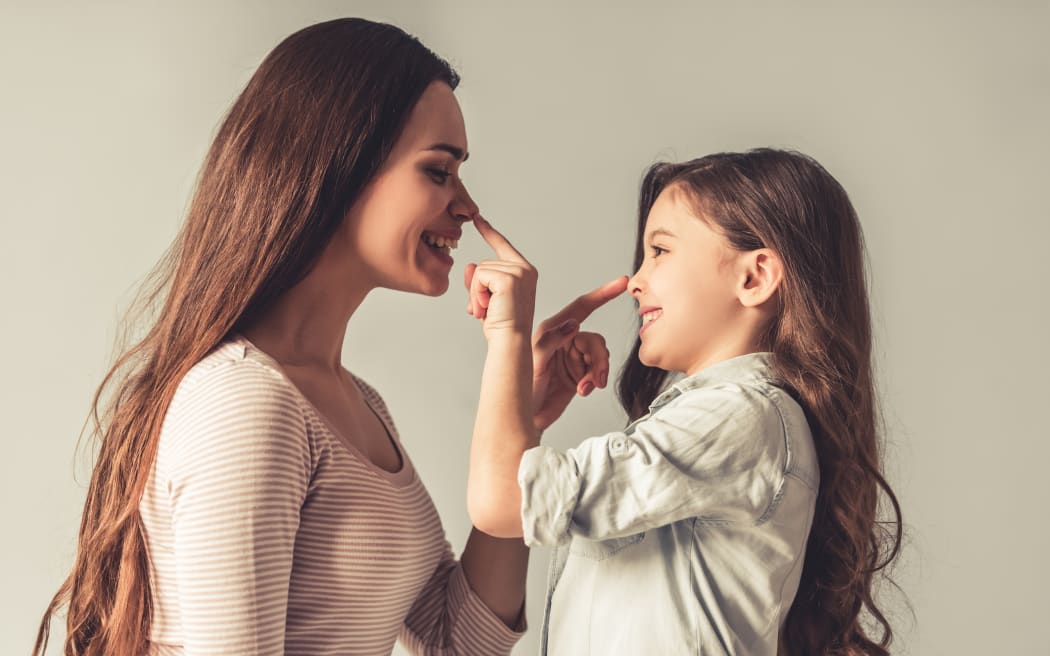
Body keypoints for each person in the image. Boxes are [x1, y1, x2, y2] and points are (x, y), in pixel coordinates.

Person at [34, 18, 622, 656]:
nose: (466, 206)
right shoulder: (247, 404)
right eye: (438, 171)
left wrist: (522, 416)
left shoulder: (353, 402)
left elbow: (459, 642)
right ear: (340, 166)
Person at [464, 149, 904, 655]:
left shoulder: (742, 416)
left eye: (660, 251)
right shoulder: (721, 421)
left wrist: (508, 335)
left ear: (754, 277)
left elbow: (501, 502)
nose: (635, 281)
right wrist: (532, 414)